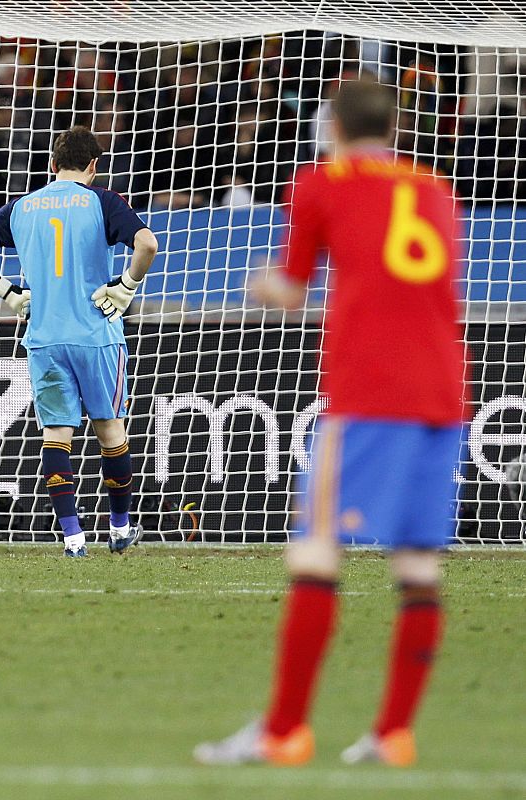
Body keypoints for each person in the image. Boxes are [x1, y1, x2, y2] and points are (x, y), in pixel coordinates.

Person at [194, 78, 465, 767]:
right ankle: (393, 733)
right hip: (443, 393)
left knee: (314, 552)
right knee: (416, 566)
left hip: (369, 392)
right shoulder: (435, 188)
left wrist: (258, 282)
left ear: (334, 128)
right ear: (395, 129)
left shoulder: (320, 181)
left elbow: (291, 287)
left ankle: (284, 731)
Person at [0, 126, 158, 557]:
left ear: (51, 164)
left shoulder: (22, 207)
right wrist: (126, 284)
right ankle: (119, 530)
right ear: (93, 166)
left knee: (56, 435)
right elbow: (147, 243)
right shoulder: (102, 201)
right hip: (96, 334)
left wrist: (8, 293)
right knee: (110, 429)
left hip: (44, 337)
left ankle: (73, 538)